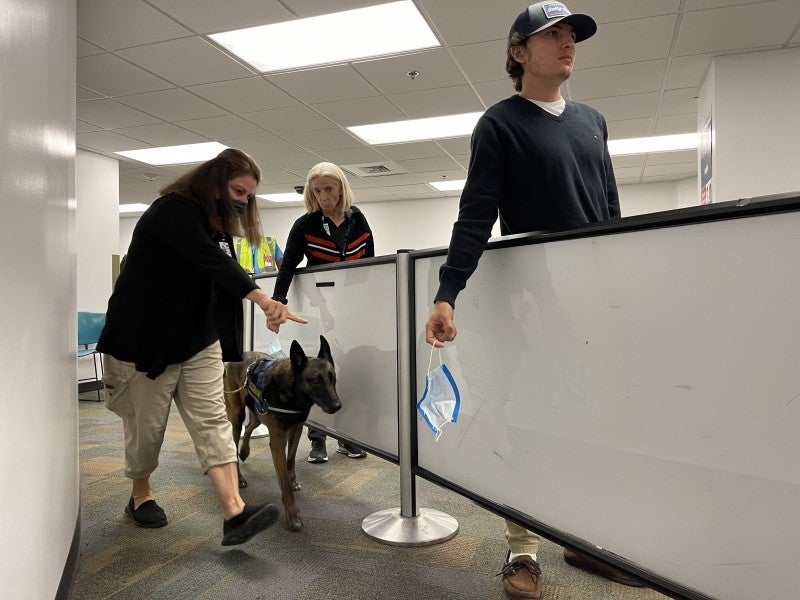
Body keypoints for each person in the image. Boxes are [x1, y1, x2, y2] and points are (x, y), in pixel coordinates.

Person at [424, 2, 645, 598]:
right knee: (529, 419)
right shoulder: (500, 124)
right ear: (519, 52)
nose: (568, 42)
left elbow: (610, 210)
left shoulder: (593, 120)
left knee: (589, 414)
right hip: (531, 298)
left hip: (588, 299)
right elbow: (476, 216)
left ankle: (582, 537)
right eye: (552, 34)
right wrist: (448, 294)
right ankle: (523, 548)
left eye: (572, 34)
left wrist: (621, 291)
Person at [97, 148, 307, 546]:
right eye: (237, 189)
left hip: (196, 339)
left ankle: (234, 512)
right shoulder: (171, 211)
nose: (243, 200)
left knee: (213, 419)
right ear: (213, 182)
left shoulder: (217, 225)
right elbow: (209, 260)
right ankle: (140, 492)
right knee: (147, 433)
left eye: (248, 194)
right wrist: (264, 299)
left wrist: (232, 345)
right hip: (143, 342)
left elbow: (222, 277)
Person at [270, 161, 374, 463]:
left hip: (351, 310)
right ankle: (318, 440)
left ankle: (345, 437)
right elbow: (287, 265)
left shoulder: (359, 221)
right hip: (318, 308)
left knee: (343, 373)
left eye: (329, 189)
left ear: (341, 188)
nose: (323, 195)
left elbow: (371, 266)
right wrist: (278, 301)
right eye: (316, 191)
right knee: (315, 376)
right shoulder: (306, 225)